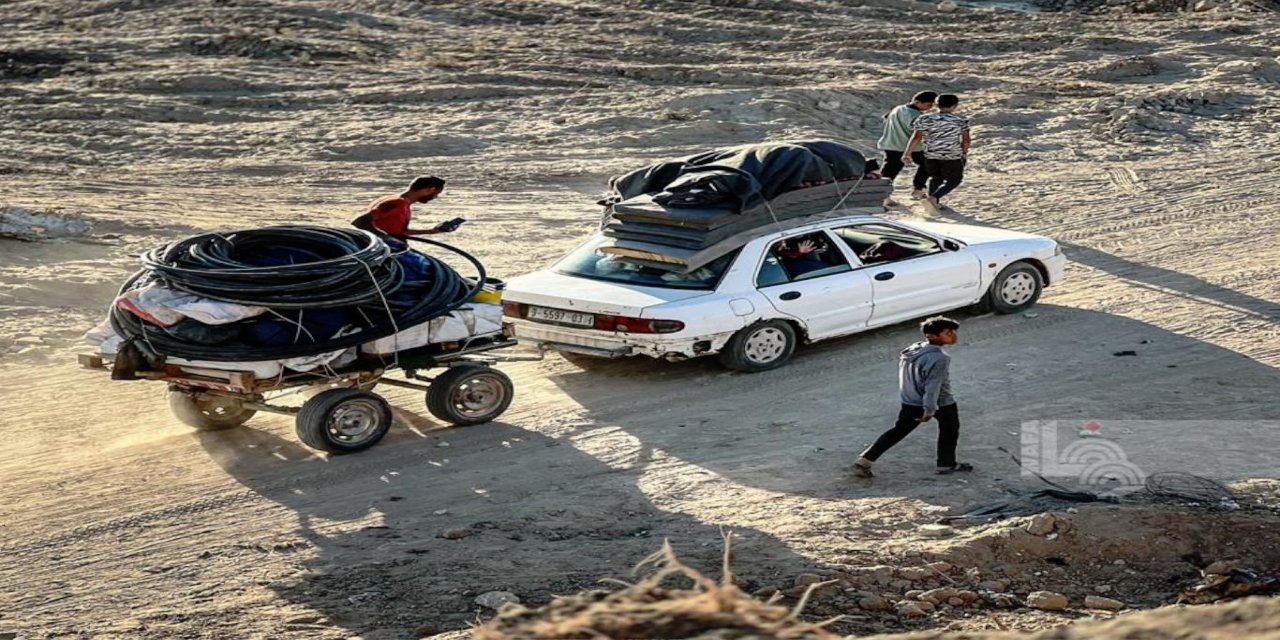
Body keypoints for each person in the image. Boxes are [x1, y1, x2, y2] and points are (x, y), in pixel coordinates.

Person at [852, 316, 972, 478]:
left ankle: (865, 460)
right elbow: (933, 386)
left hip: (910, 401)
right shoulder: (940, 358)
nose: (953, 335)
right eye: (948, 333)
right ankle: (946, 464)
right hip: (940, 402)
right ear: (932, 336)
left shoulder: (914, 349)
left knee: (898, 431)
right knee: (949, 430)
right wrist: (929, 409)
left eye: (953, 331)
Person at [904, 94, 970, 211]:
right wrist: (964, 153)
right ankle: (934, 197)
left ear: (936, 104)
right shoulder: (960, 120)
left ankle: (933, 203)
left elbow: (916, 137)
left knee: (936, 178)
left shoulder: (924, 119)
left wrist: (907, 153)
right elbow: (966, 140)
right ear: (954, 106)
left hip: (930, 154)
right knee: (954, 179)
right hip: (951, 155)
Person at [876, 91, 937, 202]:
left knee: (889, 171)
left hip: (890, 144)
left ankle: (881, 194)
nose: (929, 108)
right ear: (917, 102)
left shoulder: (898, 108)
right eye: (928, 105)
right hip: (909, 146)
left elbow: (886, 118)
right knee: (928, 164)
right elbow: (918, 133)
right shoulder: (915, 115)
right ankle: (918, 189)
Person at [352, 176, 457, 237]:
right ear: (430, 189)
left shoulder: (400, 202)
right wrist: (386, 238)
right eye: (436, 193)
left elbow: (398, 232)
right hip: (385, 252)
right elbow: (360, 222)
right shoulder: (397, 203)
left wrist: (432, 231)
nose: (435, 197)